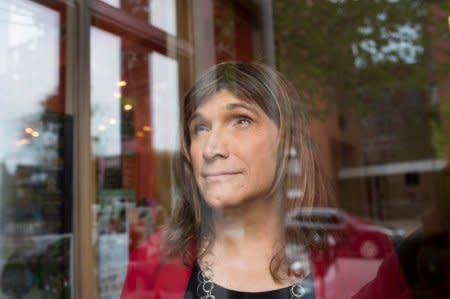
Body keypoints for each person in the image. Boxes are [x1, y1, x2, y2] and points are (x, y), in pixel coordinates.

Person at [120, 61, 334, 299]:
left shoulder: (349, 265)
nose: (211, 149)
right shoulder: (152, 264)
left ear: (288, 141)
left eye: (241, 120)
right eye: (200, 128)